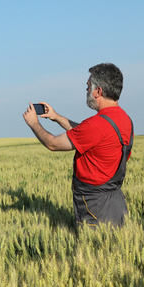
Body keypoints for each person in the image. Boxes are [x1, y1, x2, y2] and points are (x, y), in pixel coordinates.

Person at [23, 63, 134, 228]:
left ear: (98, 91)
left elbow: (52, 144)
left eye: (88, 86)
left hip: (94, 206)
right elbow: (86, 135)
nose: (87, 90)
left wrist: (34, 124)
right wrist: (56, 117)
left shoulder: (96, 125)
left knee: (96, 251)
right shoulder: (124, 119)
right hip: (115, 202)